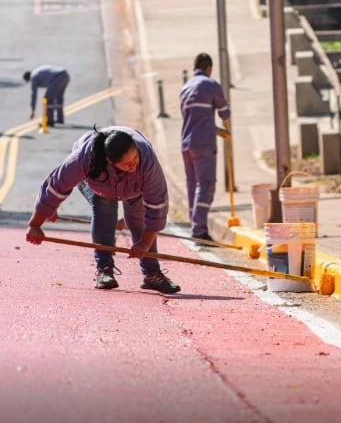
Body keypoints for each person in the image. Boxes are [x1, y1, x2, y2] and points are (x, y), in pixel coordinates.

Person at [25, 126, 181, 294]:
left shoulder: (146, 160)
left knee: (138, 217)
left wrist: (143, 243)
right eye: (128, 163)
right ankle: (104, 269)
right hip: (98, 184)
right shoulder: (83, 158)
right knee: (105, 207)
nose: (134, 164)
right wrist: (36, 223)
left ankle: (152, 274)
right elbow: (55, 187)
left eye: (135, 158)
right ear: (109, 161)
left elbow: (157, 206)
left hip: (134, 187)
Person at [179, 52, 231, 241]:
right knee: (206, 184)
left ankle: (195, 224)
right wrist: (225, 123)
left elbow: (197, 119)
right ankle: (199, 229)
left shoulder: (185, 88)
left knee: (193, 185)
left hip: (186, 143)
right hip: (204, 144)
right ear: (209, 68)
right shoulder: (210, 84)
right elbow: (224, 112)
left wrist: (217, 130)